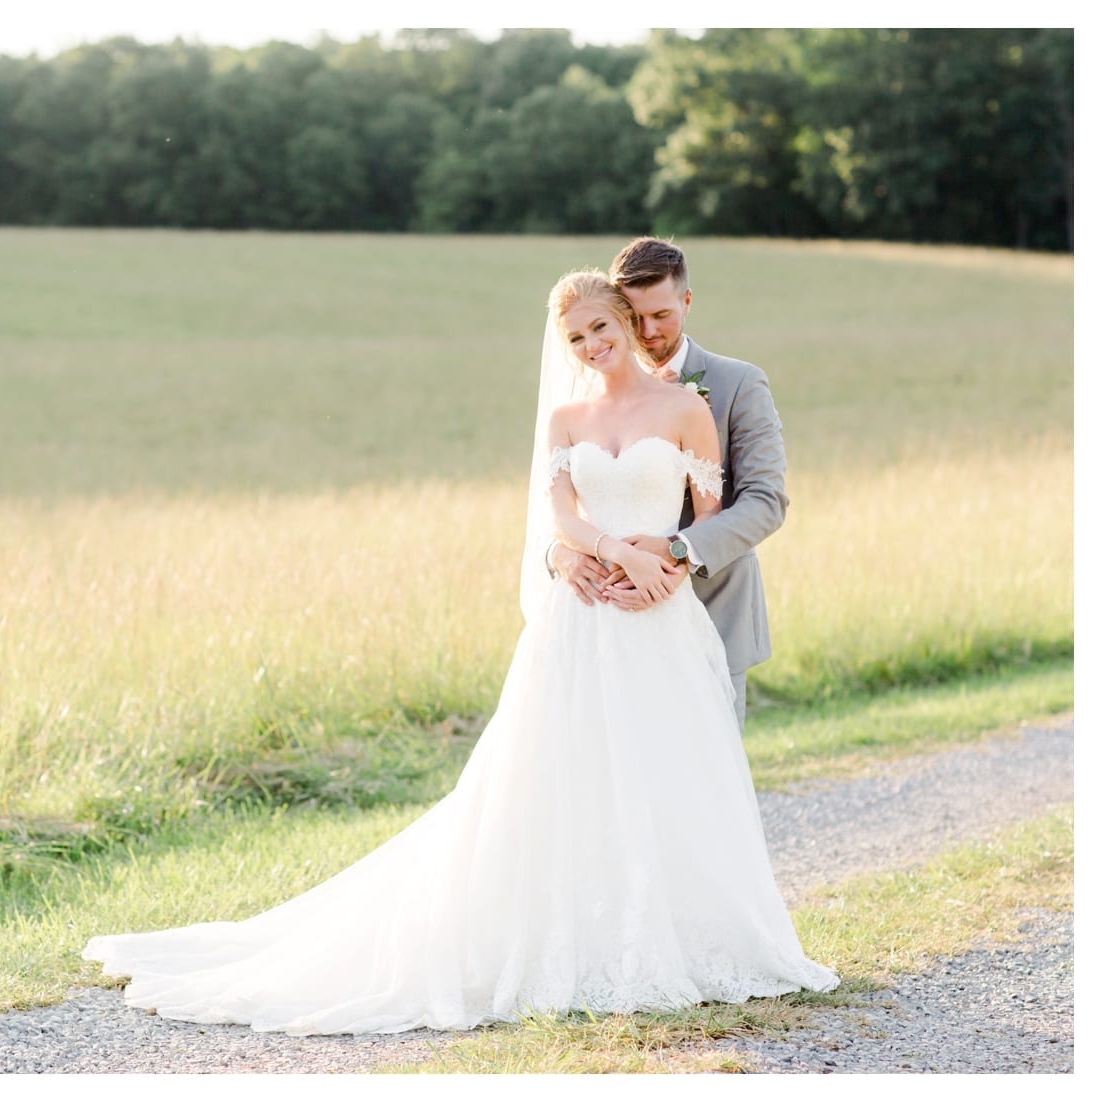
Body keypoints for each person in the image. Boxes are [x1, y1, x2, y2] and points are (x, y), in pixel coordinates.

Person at [82, 270, 837, 1036]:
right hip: (581, 622)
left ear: (644, 316)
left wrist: (663, 566)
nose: (594, 343)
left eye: (604, 328)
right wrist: (594, 553)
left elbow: (713, 514)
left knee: (674, 778)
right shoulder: (568, 416)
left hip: (662, 619)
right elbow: (558, 516)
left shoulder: (694, 404)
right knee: (564, 782)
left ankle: (687, 938)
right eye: (577, 337)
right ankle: (580, 940)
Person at [548, 238, 788, 730]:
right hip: (609, 614)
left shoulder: (738, 383)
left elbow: (765, 501)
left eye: (661, 314)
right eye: (633, 317)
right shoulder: (578, 402)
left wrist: (676, 554)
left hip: (713, 605)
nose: (648, 331)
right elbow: (557, 507)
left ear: (687, 301)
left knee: (706, 776)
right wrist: (560, 555)